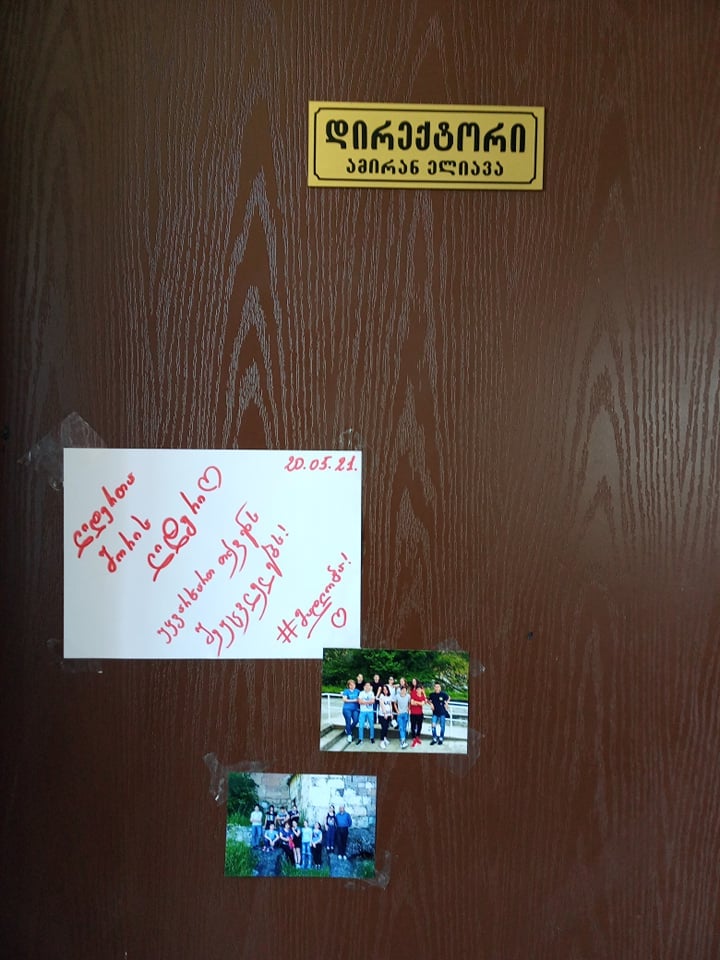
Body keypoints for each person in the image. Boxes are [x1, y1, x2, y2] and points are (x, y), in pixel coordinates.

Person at [428, 680, 451, 745]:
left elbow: (449, 697)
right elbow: (428, 700)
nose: (437, 688)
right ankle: (434, 738)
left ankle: (441, 738)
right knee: (433, 726)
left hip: (442, 713)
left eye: (438, 687)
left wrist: (447, 703)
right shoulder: (432, 695)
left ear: (440, 688)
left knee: (442, 726)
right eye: (436, 687)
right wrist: (431, 704)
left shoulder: (443, 694)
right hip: (435, 713)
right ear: (434, 688)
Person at [341, 678, 360, 743]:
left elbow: (360, 698)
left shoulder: (357, 691)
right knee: (348, 721)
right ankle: (349, 735)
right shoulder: (346, 691)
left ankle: (348, 729)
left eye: (353, 684)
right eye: (351, 685)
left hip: (355, 709)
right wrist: (354, 700)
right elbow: (344, 700)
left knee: (356, 720)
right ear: (348, 685)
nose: (352, 686)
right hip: (347, 709)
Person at [409, 680, 428, 747]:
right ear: (416, 690)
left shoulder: (422, 696)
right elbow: (412, 703)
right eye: (418, 689)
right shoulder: (413, 694)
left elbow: (423, 704)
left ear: (421, 690)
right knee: (413, 726)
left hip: (420, 713)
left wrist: (416, 702)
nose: (419, 690)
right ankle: (414, 738)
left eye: (420, 689)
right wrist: (419, 703)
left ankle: (417, 737)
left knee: (419, 726)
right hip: (413, 713)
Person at [394, 679, 411, 748]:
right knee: (401, 727)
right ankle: (403, 741)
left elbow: (409, 703)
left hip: (405, 714)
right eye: (402, 690)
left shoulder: (408, 696)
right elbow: (394, 703)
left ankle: (403, 739)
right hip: (400, 714)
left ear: (406, 690)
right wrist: (397, 710)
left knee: (404, 727)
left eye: (405, 690)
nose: (404, 691)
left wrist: (408, 708)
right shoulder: (397, 696)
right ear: (400, 690)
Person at [377, 683, 394, 748]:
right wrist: (385, 713)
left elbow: (390, 705)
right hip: (382, 715)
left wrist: (391, 713)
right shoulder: (381, 696)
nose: (385, 691)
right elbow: (382, 705)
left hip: (389, 714)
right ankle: (381, 741)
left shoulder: (389, 696)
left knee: (386, 727)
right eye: (383, 690)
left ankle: (385, 738)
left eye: (386, 689)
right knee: (383, 727)